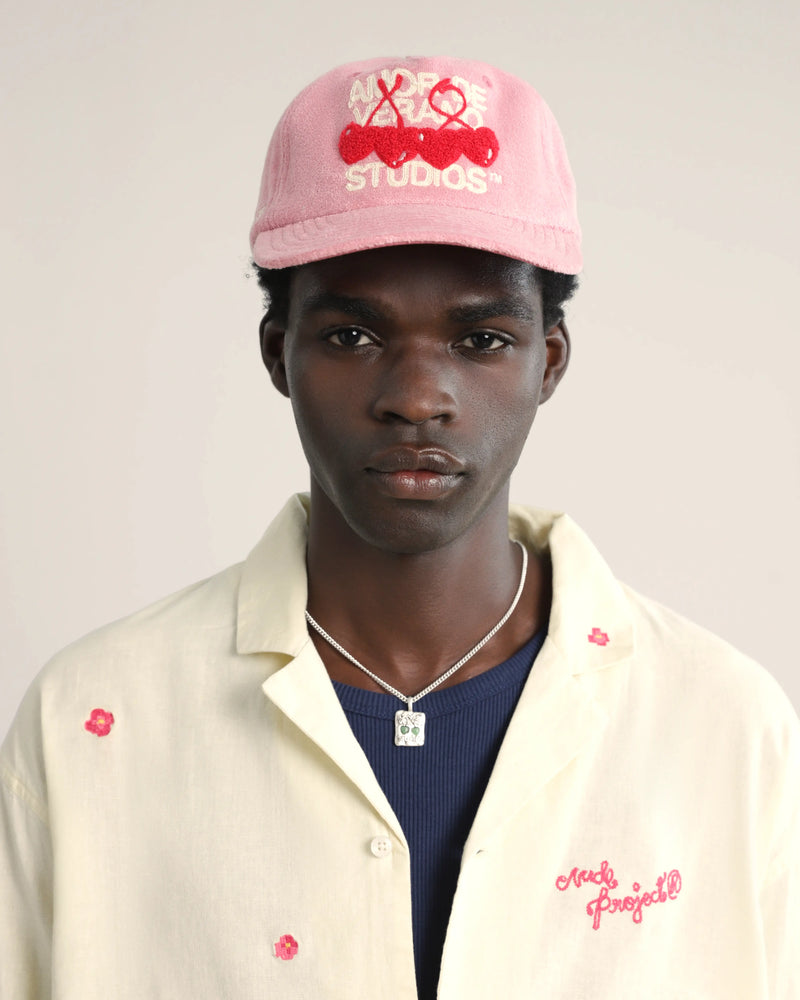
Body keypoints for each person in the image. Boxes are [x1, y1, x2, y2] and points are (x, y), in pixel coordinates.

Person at [1, 55, 798, 1000]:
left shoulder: (721, 727)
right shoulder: (94, 723)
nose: (417, 396)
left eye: (481, 340)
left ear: (548, 361)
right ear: (277, 354)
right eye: (352, 336)